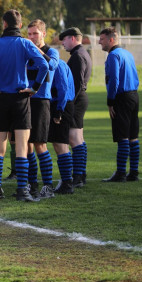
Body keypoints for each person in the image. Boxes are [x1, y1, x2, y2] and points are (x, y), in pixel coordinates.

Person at [0, 10, 48, 202]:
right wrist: (34, 88)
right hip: (20, 99)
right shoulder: (25, 43)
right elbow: (44, 65)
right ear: (20, 24)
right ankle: (22, 191)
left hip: (0, 99)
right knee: (22, 147)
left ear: (4, 24)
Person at [98, 27, 141, 182]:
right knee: (133, 136)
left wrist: (110, 102)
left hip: (121, 98)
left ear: (111, 39)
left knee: (122, 135)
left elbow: (114, 80)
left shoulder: (113, 56)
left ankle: (121, 173)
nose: (98, 42)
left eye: (102, 39)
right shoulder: (127, 54)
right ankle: (134, 173)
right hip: (134, 96)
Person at [25, 19, 59, 199]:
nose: (31, 37)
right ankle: (32, 184)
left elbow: (52, 65)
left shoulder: (51, 51)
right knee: (27, 145)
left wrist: (37, 51)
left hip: (41, 102)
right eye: (29, 34)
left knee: (40, 144)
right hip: (25, 102)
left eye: (35, 34)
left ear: (43, 34)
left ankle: (48, 186)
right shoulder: (26, 52)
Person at [59, 27, 92, 187]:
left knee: (74, 138)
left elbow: (77, 83)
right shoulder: (81, 53)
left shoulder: (78, 56)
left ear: (72, 38)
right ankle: (81, 174)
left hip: (76, 99)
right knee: (78, 138)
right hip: (80, 98)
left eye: (64, 39)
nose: (63, 43)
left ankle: (78, 176)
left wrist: (69, 102)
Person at [48, 59, 75, 196]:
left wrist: (59, 110)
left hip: (62, 105)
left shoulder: (57, 63)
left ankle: (67, 183)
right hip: (60, 104)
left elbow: (63, 88)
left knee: (61, 144)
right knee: (59, 144)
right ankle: (67, 181)